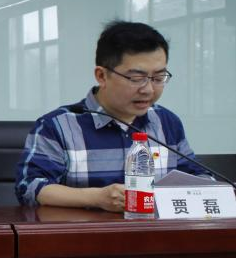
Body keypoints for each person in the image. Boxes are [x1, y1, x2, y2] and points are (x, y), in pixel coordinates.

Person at [15, 21, 205, 211]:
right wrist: (96, 198)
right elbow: (29, 187)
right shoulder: (58, 126)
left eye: (158, 78)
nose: (148, 89)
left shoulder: (166, 122)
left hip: (153, 229)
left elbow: (199, 178)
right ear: (102, 76)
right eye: (136, 78)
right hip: (85, 230)